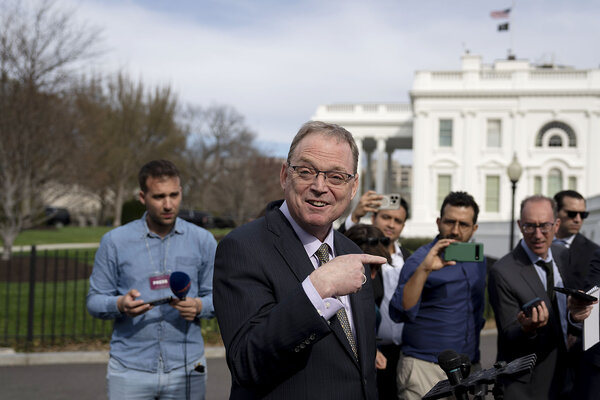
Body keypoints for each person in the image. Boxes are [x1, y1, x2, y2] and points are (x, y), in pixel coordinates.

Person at [213, 121, 387, 399]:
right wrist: (316, 290)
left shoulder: (353, 253)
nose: (320, 186)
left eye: (336, 177)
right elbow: (246, 364)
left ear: (353, 187)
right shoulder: (241, 247)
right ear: (285, 175)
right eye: (306, 172)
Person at [87, 160, 217, 400]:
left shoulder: (203, 241)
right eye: (159, 197)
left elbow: (219, 299)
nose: (168, 205)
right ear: (142, 197)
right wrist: (119, 305)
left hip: (188, 367)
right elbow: (94, 301)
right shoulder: (114, 242)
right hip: (129, 368)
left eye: (174, 195)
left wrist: (199, 306)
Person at [389, 191, 486, 400]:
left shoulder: (477, 259)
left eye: (464, 224)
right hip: (425, 368)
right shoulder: (419, 261)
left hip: (468, 368)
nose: (456, 230)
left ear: (474, 228)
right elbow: (401, 311)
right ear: (438, 222)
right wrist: (425, 270)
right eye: (450, 222)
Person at [488, 195, 585, 399]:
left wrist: (576, 317)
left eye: (545, 226)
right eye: (530, 226)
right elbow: (508, 334)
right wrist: (527, 328)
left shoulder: (563, 256)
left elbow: (569, 317)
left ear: (556, 225)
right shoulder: (503, 271)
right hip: (526, 387)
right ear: (519, 225)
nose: (538, 234)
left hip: (569, 379)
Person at [342, 193, 411, 400]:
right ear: (373, 218)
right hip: (367, 350)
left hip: (403, 352)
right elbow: (336, 247)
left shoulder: (411, 259)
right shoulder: (356, 251)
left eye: (397, 220)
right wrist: (354, 216)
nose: (391, 224)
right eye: (386, 217)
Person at [553, 190, 600, 289]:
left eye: (583, 215)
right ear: (555, 212)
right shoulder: (538, 244)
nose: (578, 220)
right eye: (571, 213)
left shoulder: (594, 253)